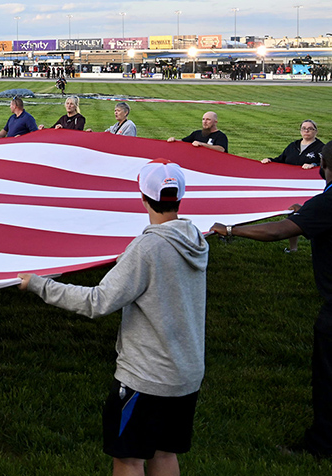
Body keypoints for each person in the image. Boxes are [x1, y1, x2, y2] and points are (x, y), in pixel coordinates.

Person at [21, 160, 207, 475]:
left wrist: (39, 285)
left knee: (128, 458)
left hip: (148, 379)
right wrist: (127, 263)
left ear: (142, 197)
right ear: (181, 197)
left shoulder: (147, 249)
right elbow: (160, 276)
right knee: (164, 453)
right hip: (185, 374)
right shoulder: (195, 238)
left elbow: (98, 302)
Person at [209, 150, 332, 459]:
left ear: (324, 168)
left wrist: (232, 230)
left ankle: (322, 446)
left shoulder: (328, 202)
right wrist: (305, 213)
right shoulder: (323, 205)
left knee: (329, 376)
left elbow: (278, 231)